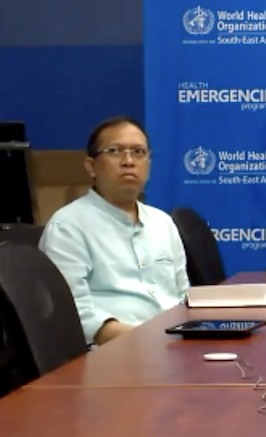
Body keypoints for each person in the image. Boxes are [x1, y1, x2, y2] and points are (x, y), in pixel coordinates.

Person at [39, 117, 190, 346]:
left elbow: (182, 297)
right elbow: (74, 313)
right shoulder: (68, 227)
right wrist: (151, 341)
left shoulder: (163, 223)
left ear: (148, 165)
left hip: (173, 345)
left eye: (138, 152)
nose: (128, 161)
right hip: (111, 352)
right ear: (91, 166)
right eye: (115, 151)